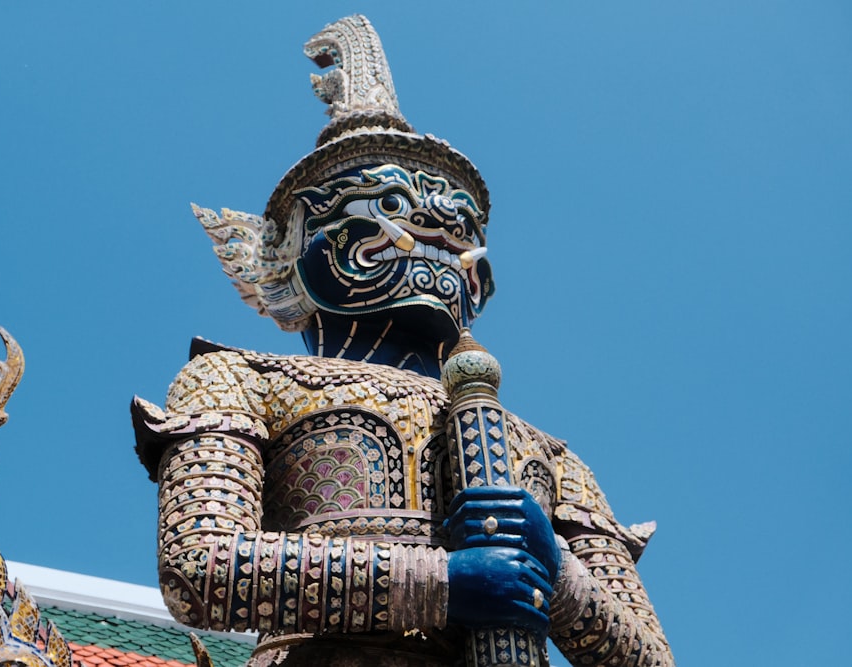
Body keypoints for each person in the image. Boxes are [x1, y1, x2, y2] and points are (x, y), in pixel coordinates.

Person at [133, 15, 674, 667]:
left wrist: (558, 574)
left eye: (459, 222)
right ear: (286, 255)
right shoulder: (237, 380)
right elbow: (202, 567)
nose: (439, 229)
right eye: (389, 202)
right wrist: (441, 585)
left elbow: (649, 658)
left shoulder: (555, 461)